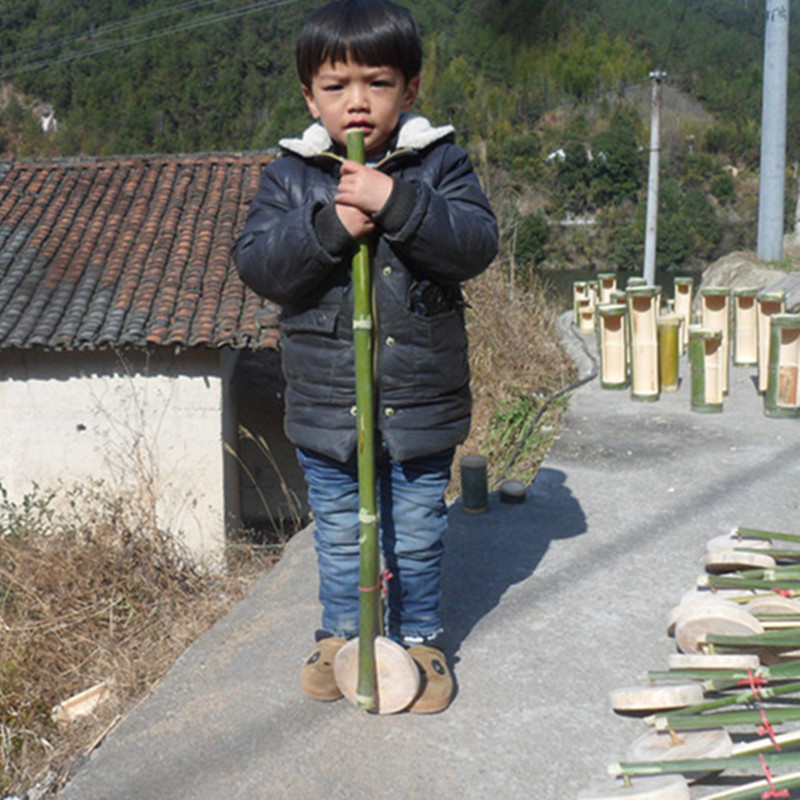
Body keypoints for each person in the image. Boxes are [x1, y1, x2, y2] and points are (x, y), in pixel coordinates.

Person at [233, 0, 497, 713]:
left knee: (413, 533)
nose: (356, 103)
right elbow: (259, 265)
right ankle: (342, 635)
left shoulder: (437, 163)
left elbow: (474, 244)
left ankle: (420, 641)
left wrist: (396, 203)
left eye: (377, 83)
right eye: (335, 86)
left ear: (410, 89)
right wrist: (332, 225)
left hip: (418, 406)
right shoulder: (292, 175)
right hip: (326, 408)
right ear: (308, 97)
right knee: (345, 534)